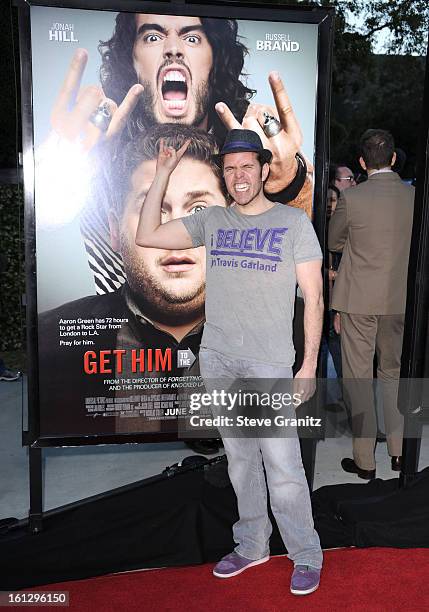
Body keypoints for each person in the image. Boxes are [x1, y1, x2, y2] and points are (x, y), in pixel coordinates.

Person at [135, 128, 324, 595]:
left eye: (247, 166)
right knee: (240, 462)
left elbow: (315, 298)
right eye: (231, 168)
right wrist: (162, 174)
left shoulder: (293, 223)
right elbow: (147, 234)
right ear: (226, 175)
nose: (239, 175)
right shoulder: (212, 221)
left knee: (283, 469)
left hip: (269, 364)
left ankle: (305, 554)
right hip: (218, 360)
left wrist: (309, 366)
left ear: (263, 170)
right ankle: (253, 544)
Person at [38, 125, 227, 439]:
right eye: (152, 208)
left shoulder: (291, 328)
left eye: (198, 210)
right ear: (114, 230)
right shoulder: (50, 342)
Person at [329, 129, 415, 479]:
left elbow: (334, 241)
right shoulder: (414, 197)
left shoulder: (354, 198)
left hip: (358, 301)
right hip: (399, 301)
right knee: (393, 376)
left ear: (363, 162)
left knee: (359, 379)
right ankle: (399, 453)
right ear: (393, 158)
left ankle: (365, 461)